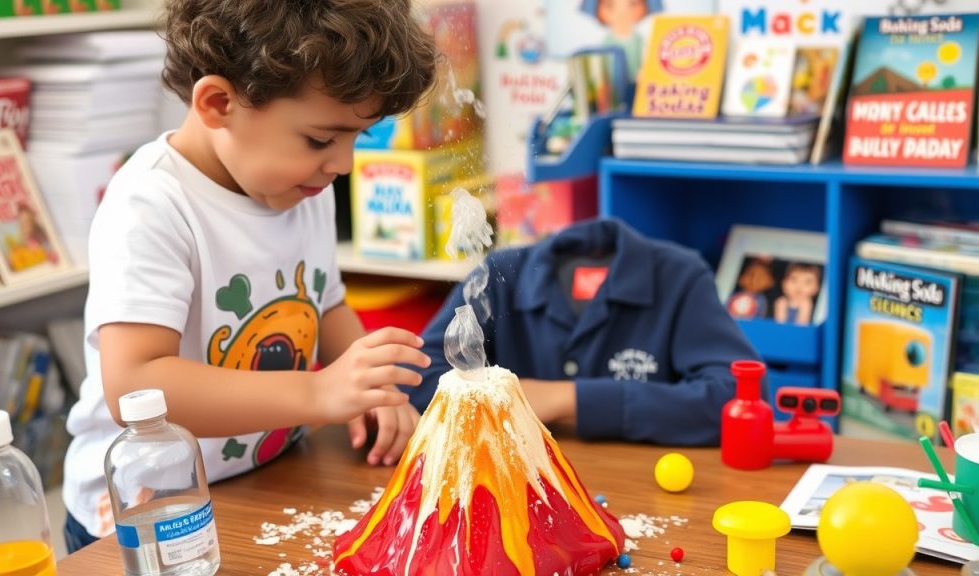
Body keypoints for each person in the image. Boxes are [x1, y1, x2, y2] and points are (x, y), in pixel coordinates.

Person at [61, 0, 437, 553]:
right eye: (320, 139)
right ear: (218, 103)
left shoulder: (299, 183)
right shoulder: (151, 202)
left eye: (358, 138)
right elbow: (136, 384)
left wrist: (370, 388)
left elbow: (324, 304)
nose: (344, 164)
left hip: (263, 481)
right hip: (151, 514)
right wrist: (318, 390)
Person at [408, 218, 761, 445]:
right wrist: (502, 396)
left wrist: (566, 398)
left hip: (647, 495)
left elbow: (742, 399)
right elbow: (420, 379)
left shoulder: (680, 277)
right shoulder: (499, 276)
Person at [580, 0, 661, 80]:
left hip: (636, 84)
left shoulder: (639, 40)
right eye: (610, 5)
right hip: (616, 86)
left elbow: (645, 60)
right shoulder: (607, 41)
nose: (622, 12)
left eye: (632, 4)